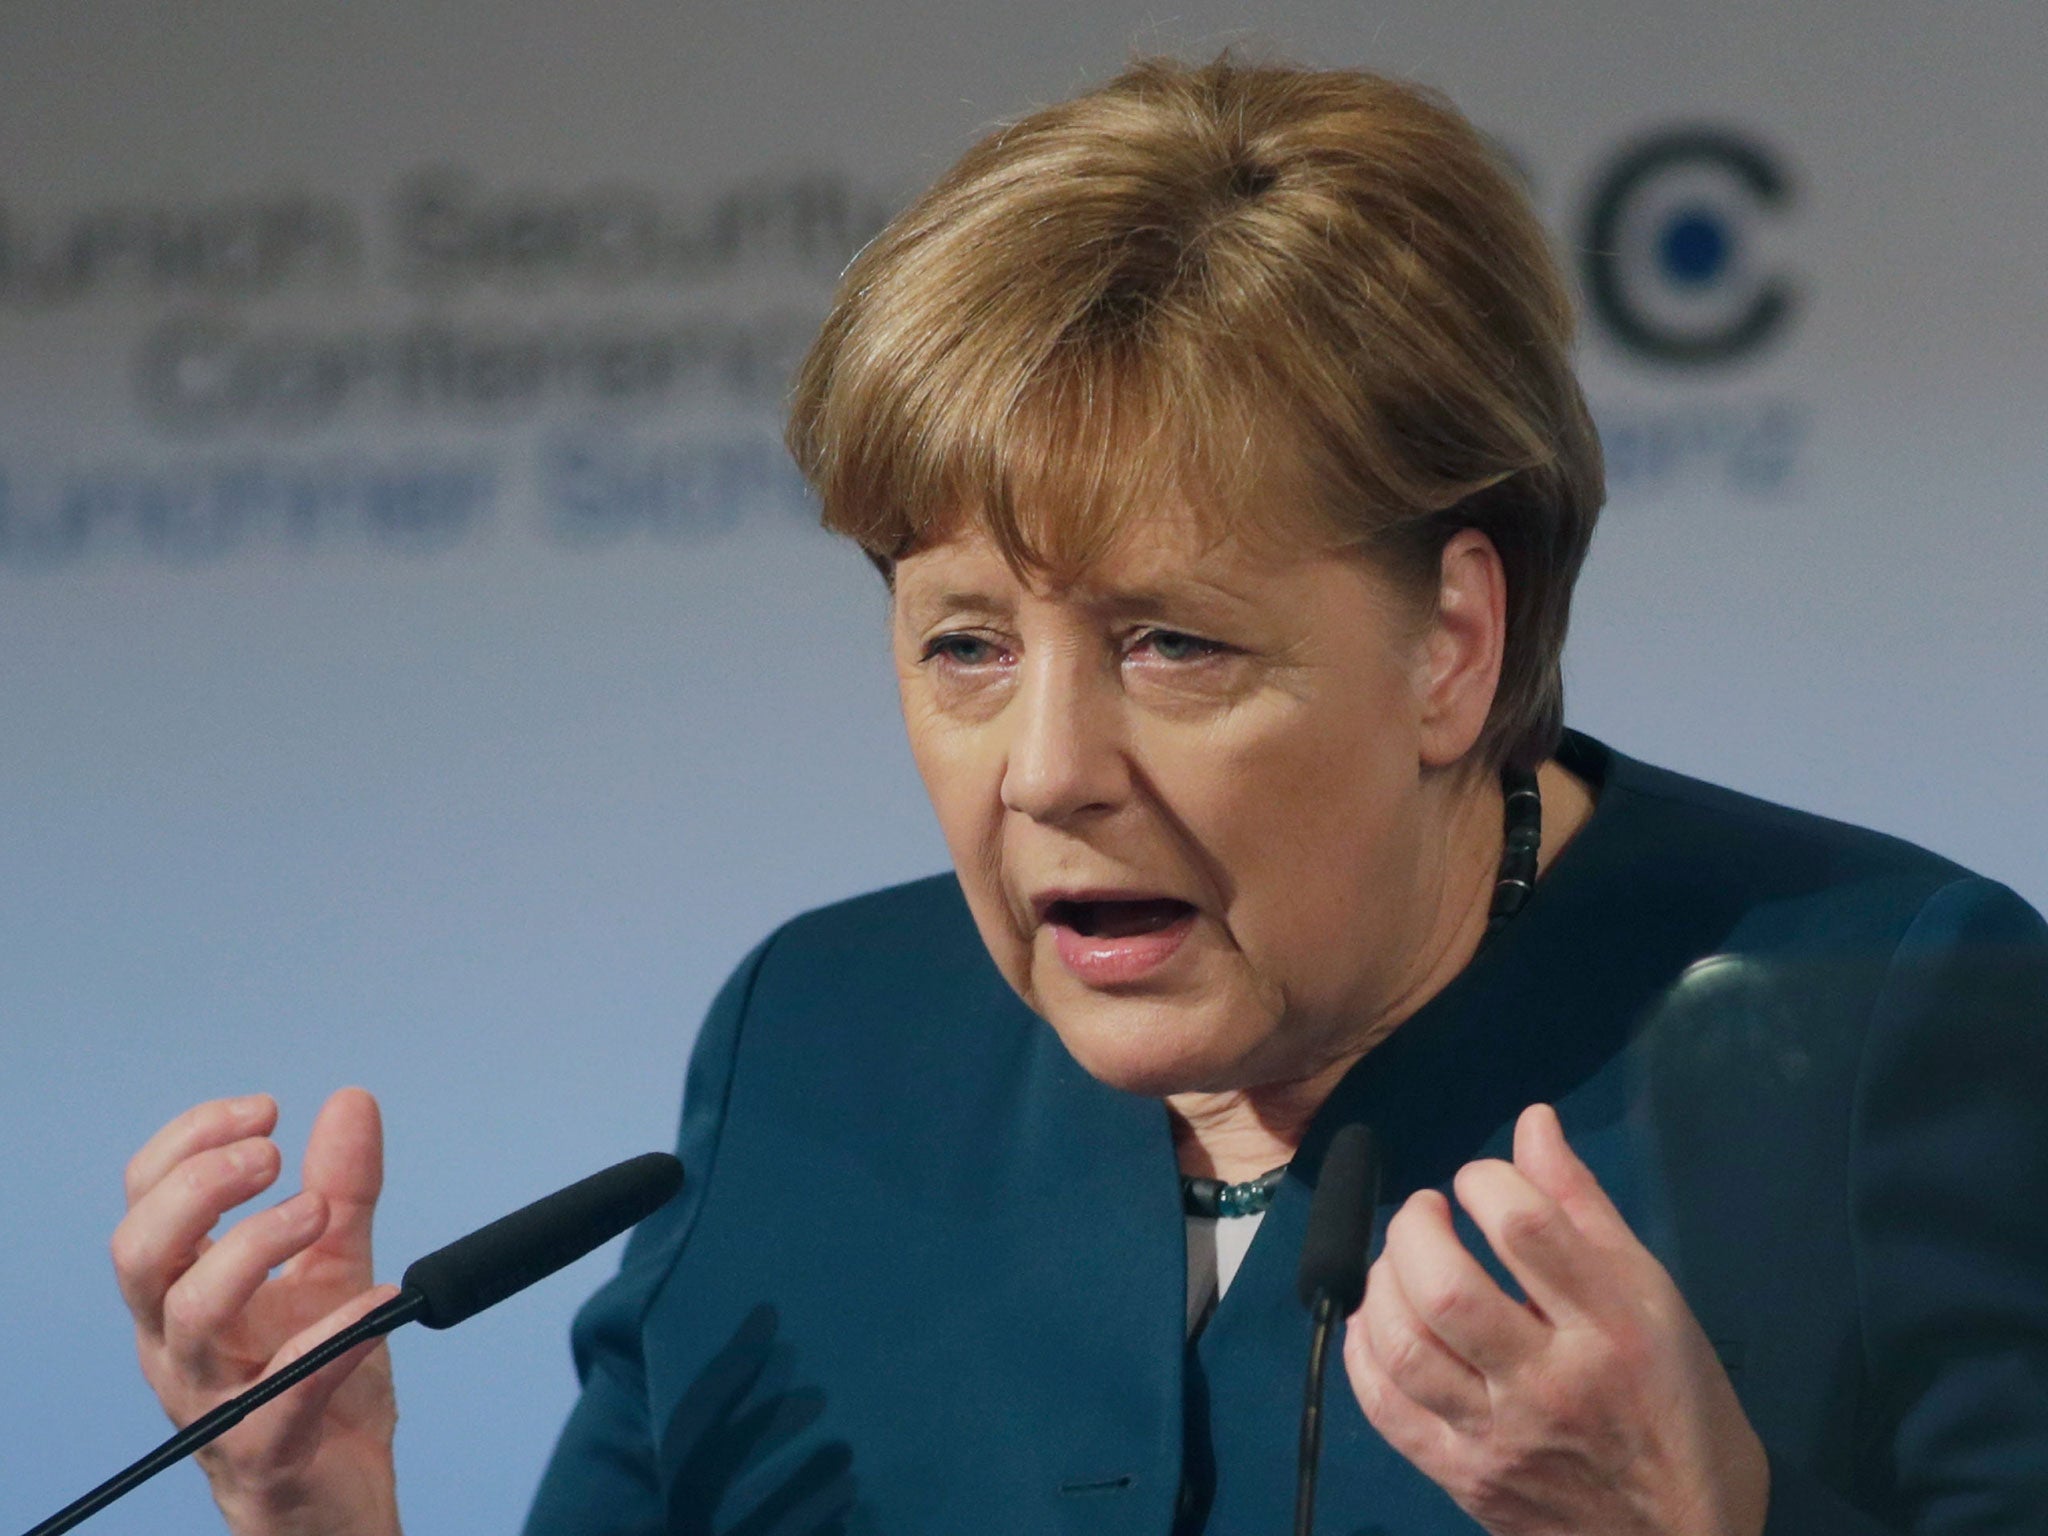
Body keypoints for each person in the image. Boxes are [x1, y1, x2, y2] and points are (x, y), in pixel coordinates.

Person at [109, 54, 2048, 1536]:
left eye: (1168, 647)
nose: (1043, 775)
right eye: (964, 646)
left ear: (1454, 639)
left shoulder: (1887, 1029)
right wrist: (313, 1515)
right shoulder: (820, 1052)